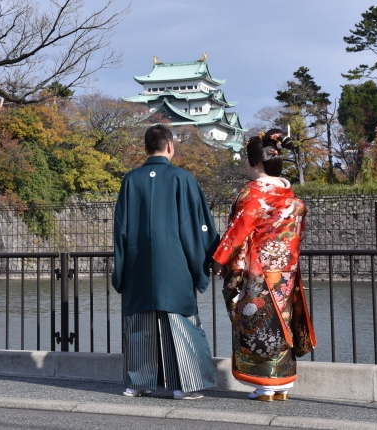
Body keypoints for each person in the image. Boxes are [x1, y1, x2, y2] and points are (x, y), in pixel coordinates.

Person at [113, 124, 220, 400]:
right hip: (175, 263)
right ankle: (183, 386)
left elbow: (121, 229)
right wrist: (205, 261)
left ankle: (137, 383)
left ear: (146, 148)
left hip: (138, 264)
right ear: (170, 146)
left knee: (139, 323)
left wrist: (121, 269)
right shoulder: (181, 178)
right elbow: (196, 226)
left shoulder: (131, 179)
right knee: (180, 322)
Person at [211, 129, 316, 401]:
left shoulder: (254, 194)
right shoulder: (289, 195)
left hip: (258, 270)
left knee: (257, 323)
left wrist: (220, 259)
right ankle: (282, 384)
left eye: (247, 159)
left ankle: (266, 384)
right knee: (283, 323)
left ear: (256, 162)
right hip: (285, 271)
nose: (245, 164)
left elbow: (238, 229)